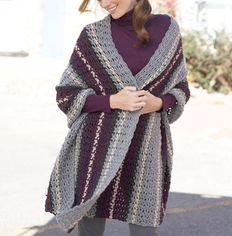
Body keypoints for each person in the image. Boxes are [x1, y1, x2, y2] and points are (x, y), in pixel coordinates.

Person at [44, 0, 191, 235]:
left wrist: (159, 103)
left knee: (145, 228)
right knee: (90, 230)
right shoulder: (92, 36)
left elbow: (181, 87)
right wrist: (113, 101)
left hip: (146, 151)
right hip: (95, 151)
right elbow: (66, 95)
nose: (105, 3)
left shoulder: (167, 29)